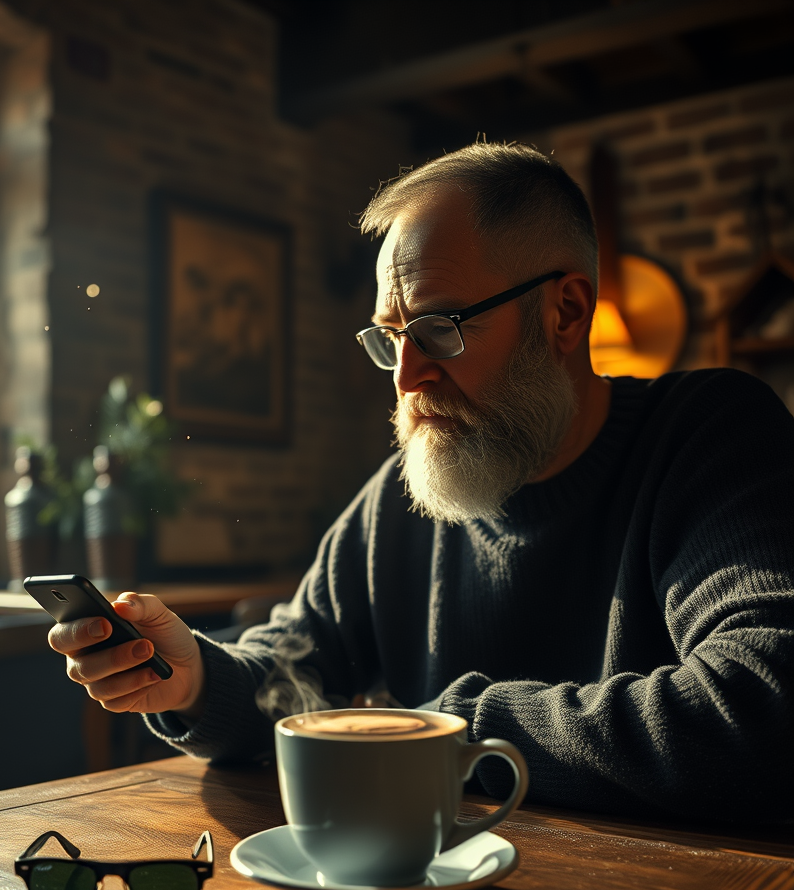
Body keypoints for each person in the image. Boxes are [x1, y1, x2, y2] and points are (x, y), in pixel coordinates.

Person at [49, 142, 794, 823]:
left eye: (441, 328)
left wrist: (454, 730)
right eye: (390, 337)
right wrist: (195, 681)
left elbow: (768, 702)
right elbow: (296, 670)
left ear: (564, 313)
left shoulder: (708, 433)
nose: (407, 376)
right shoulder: (407, 496)